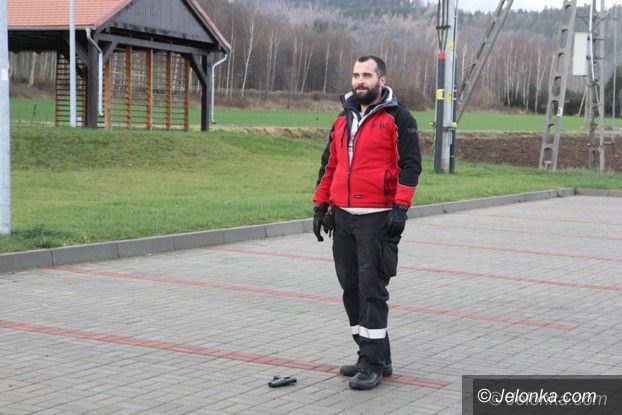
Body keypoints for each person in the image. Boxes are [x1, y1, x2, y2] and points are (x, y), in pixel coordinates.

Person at [312, 55, 422, 390]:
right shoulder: (341, 119)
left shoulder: (399, 118)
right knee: (352, 290)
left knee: (372, 291)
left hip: (378, 219)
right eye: (356, 75)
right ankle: (373, 355)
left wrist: (400, 209)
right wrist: (320, 206)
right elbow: (329, 166)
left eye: (367, 75)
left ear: (382, 80)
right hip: (343, 218)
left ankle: (371, 365)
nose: (360, 81)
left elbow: (410, 166)